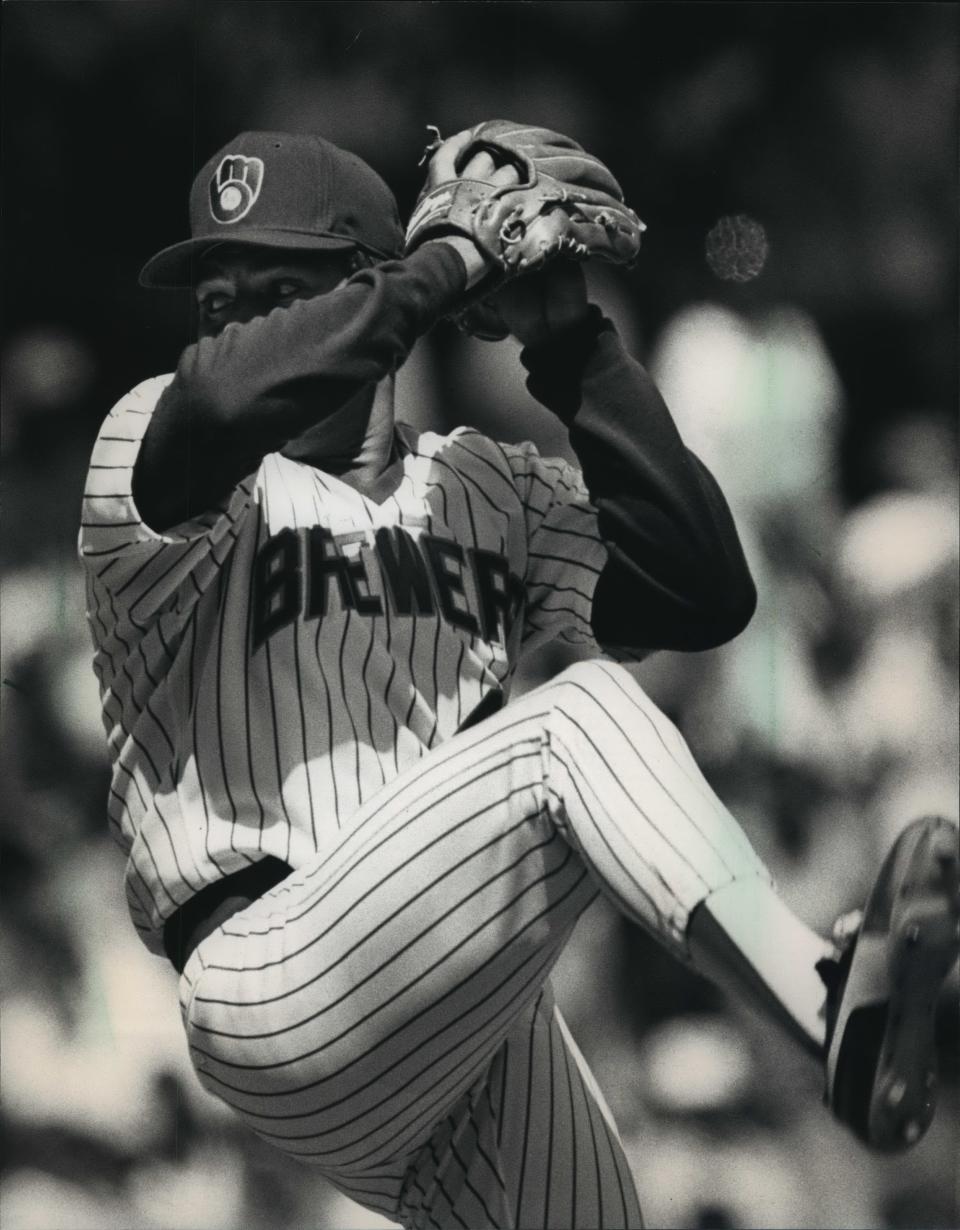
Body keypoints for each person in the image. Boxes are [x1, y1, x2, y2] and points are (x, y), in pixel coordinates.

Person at [80, 128, 958, 1230]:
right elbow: (217, 406)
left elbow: (700, 594)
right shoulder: (160, 459)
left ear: (362, 294)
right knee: (571, 723)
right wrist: (445, 261)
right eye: (216, 296)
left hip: (454, 997)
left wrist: (573, 343)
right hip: (272, 975)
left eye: (277, 284)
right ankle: (833, 1015)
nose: (238, 316)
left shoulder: (484, 487)